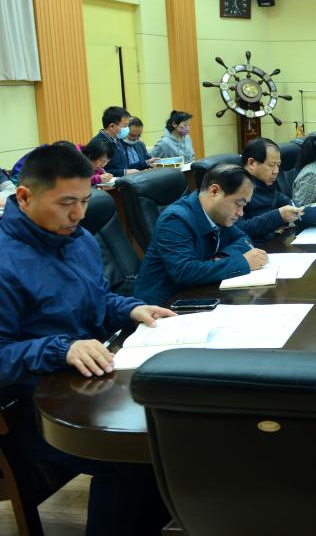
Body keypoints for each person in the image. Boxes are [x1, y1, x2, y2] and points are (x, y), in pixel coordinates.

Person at [0, 143, 174, 535]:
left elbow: (97, 299)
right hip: (33, 409)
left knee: (168, 430)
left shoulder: (76, 238)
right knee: (130, 459)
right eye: (66, 203)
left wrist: (131, 309)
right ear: (24, 197)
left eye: (84, 200)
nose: (79, 214)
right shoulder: (5, 263)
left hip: (89, 383)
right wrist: (62, 348)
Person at [134, 164, 267, 305]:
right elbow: (185, 272)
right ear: (214, 192)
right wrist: (242, 262)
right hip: (162, 306)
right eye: (239, 203)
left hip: (198, 294)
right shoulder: (175, 219)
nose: (240, 213)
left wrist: (222, 258)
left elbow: (244, 240)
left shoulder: (218, 215)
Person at [237, 138, 303, 243]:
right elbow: (238, 229)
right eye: (271, 165)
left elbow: (285, 200)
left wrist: (296, 208)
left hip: (274, 240)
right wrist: (278, 216)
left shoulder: (265, 182)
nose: (276, 171)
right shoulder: (236, 186)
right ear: (251, 163)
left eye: (278, 165)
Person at [93, 106, 154, 176]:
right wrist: (124, 172)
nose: (127, 129)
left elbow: (124, 167)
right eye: (125, 126)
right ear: (112, 126)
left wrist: (146, 163)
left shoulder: (117, 140)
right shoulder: (98, 144)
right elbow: (97, 174)